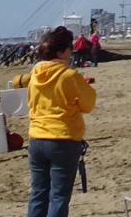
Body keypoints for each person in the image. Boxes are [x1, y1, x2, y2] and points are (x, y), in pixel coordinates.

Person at [14, 26, 97, 217]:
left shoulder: (35, 73)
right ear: (61, 52)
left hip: (36, 139)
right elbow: (89, 104)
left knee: (38, 194)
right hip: (63, 139)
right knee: (58, 197)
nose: (71, 51)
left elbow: (21, 83)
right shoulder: (69, 75)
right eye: (69, 47)